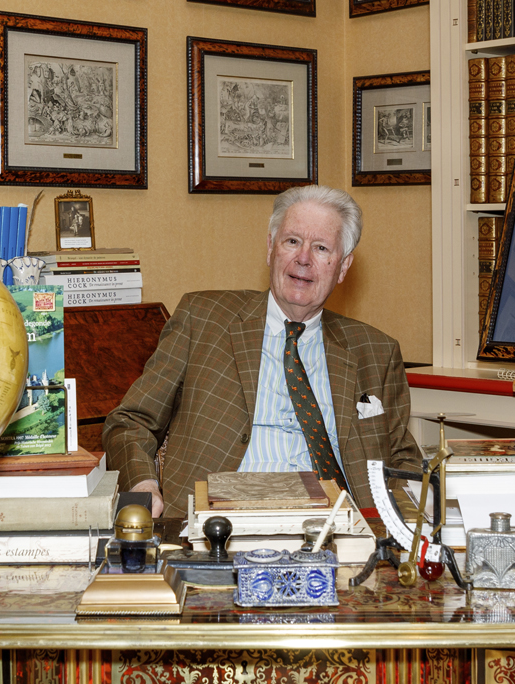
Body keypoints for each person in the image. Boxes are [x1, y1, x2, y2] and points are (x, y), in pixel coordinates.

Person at [103, 185, 421, 517]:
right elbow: (130, 421)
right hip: (220, 521)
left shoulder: (376, 351)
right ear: (271, 248)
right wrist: (144, 485)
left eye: (321, 248)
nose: (303, 259)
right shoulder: (203, 319)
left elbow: (403, 459)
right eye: (292, 241)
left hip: (338, 524)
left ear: (342, 267)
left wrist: (402, 521)